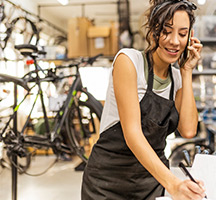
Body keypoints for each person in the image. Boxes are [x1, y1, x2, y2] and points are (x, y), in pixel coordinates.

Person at [81, 0, 205, 199]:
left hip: (152, 182)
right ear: (154, 30)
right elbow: (133, 134)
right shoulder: (129, 61)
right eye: (167, 31)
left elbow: (189, 130)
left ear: (190, 38)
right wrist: (173, 184)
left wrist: (187, 70)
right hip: (107, 182)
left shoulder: (178, 79)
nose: (174, 41)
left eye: (182, 34)